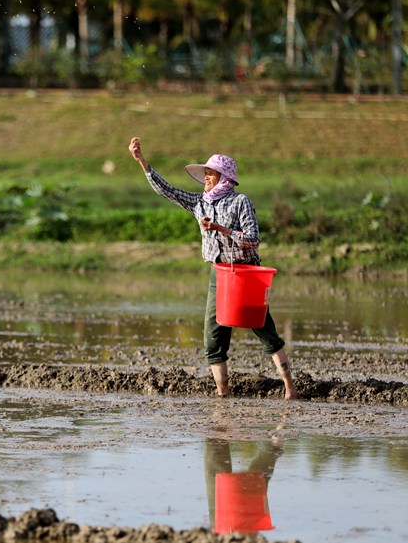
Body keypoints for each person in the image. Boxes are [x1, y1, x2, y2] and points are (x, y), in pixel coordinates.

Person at [128, 137, 298, 400]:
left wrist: (221, 229)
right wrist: (142, 161)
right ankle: (223, 392)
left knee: (265, 330)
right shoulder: (200, 203)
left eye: (210, 174)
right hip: (219, 274)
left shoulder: (241, 202)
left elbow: (253, 239)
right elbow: (168, 190)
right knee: (214, 336)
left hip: (246, 273)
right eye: (205, 174)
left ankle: (290, 388)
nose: (205, 178)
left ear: (224, 178)